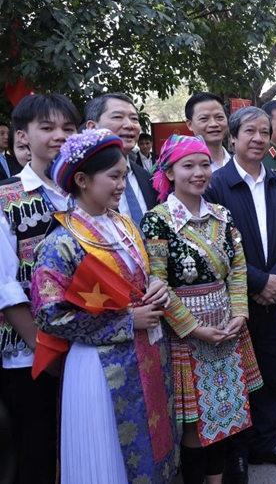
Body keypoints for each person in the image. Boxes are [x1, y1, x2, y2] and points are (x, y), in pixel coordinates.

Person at [32, 128, 177, 483]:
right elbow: (48, 314)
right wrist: (127, 321)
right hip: (100, 366)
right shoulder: (61, 242)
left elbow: (144, 276)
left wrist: (157, 286)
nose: (122, 184)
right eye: (114, 176)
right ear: (81, 179)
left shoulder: (125, 225)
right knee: (111, 454)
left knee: (156, 442)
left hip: (149, 351)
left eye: (125, 175)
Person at [141, 134, 263, 484]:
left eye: (205, 164)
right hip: (187, 335)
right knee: (194, 422)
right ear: (169, 171)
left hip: (227, 325)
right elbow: (157, 282)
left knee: (225, 412)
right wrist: (194, 329)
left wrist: (239, 314)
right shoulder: (158, 219)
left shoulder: (221, 215)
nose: (199, 172)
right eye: (188, 165)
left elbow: (238, 268)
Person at [204, 106, 276, 483]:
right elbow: (214, 245)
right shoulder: (215, 184)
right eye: (250, 131)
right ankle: (238, 453)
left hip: (274, 294)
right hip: (232, 298)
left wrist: (275, 279)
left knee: (270, 372)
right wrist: (257, 281)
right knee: (235, 377)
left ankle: (266, 441)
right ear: (233, 138)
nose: (259, 138)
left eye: (265, 132)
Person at [0, 94, 79, 484]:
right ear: (22, 137)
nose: (59, 136)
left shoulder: (85, 196)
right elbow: (5, 287)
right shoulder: (5, 199)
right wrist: (45, 351)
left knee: (78, 446)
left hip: (86, 346)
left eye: (68, 128)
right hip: (29, 353)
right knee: (38, 449)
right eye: (47, 128)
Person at [84, 93, 159, 223]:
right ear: (92, 127)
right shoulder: (79, 181)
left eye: (134, 119)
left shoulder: (147, 178)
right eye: (118, 117)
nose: (129, 125)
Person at [185, 92, 232, 170]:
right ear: (190, 125)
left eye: (219, 117)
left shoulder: (240, 164)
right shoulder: (184, 168)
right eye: (204, 119)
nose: (213, 124)